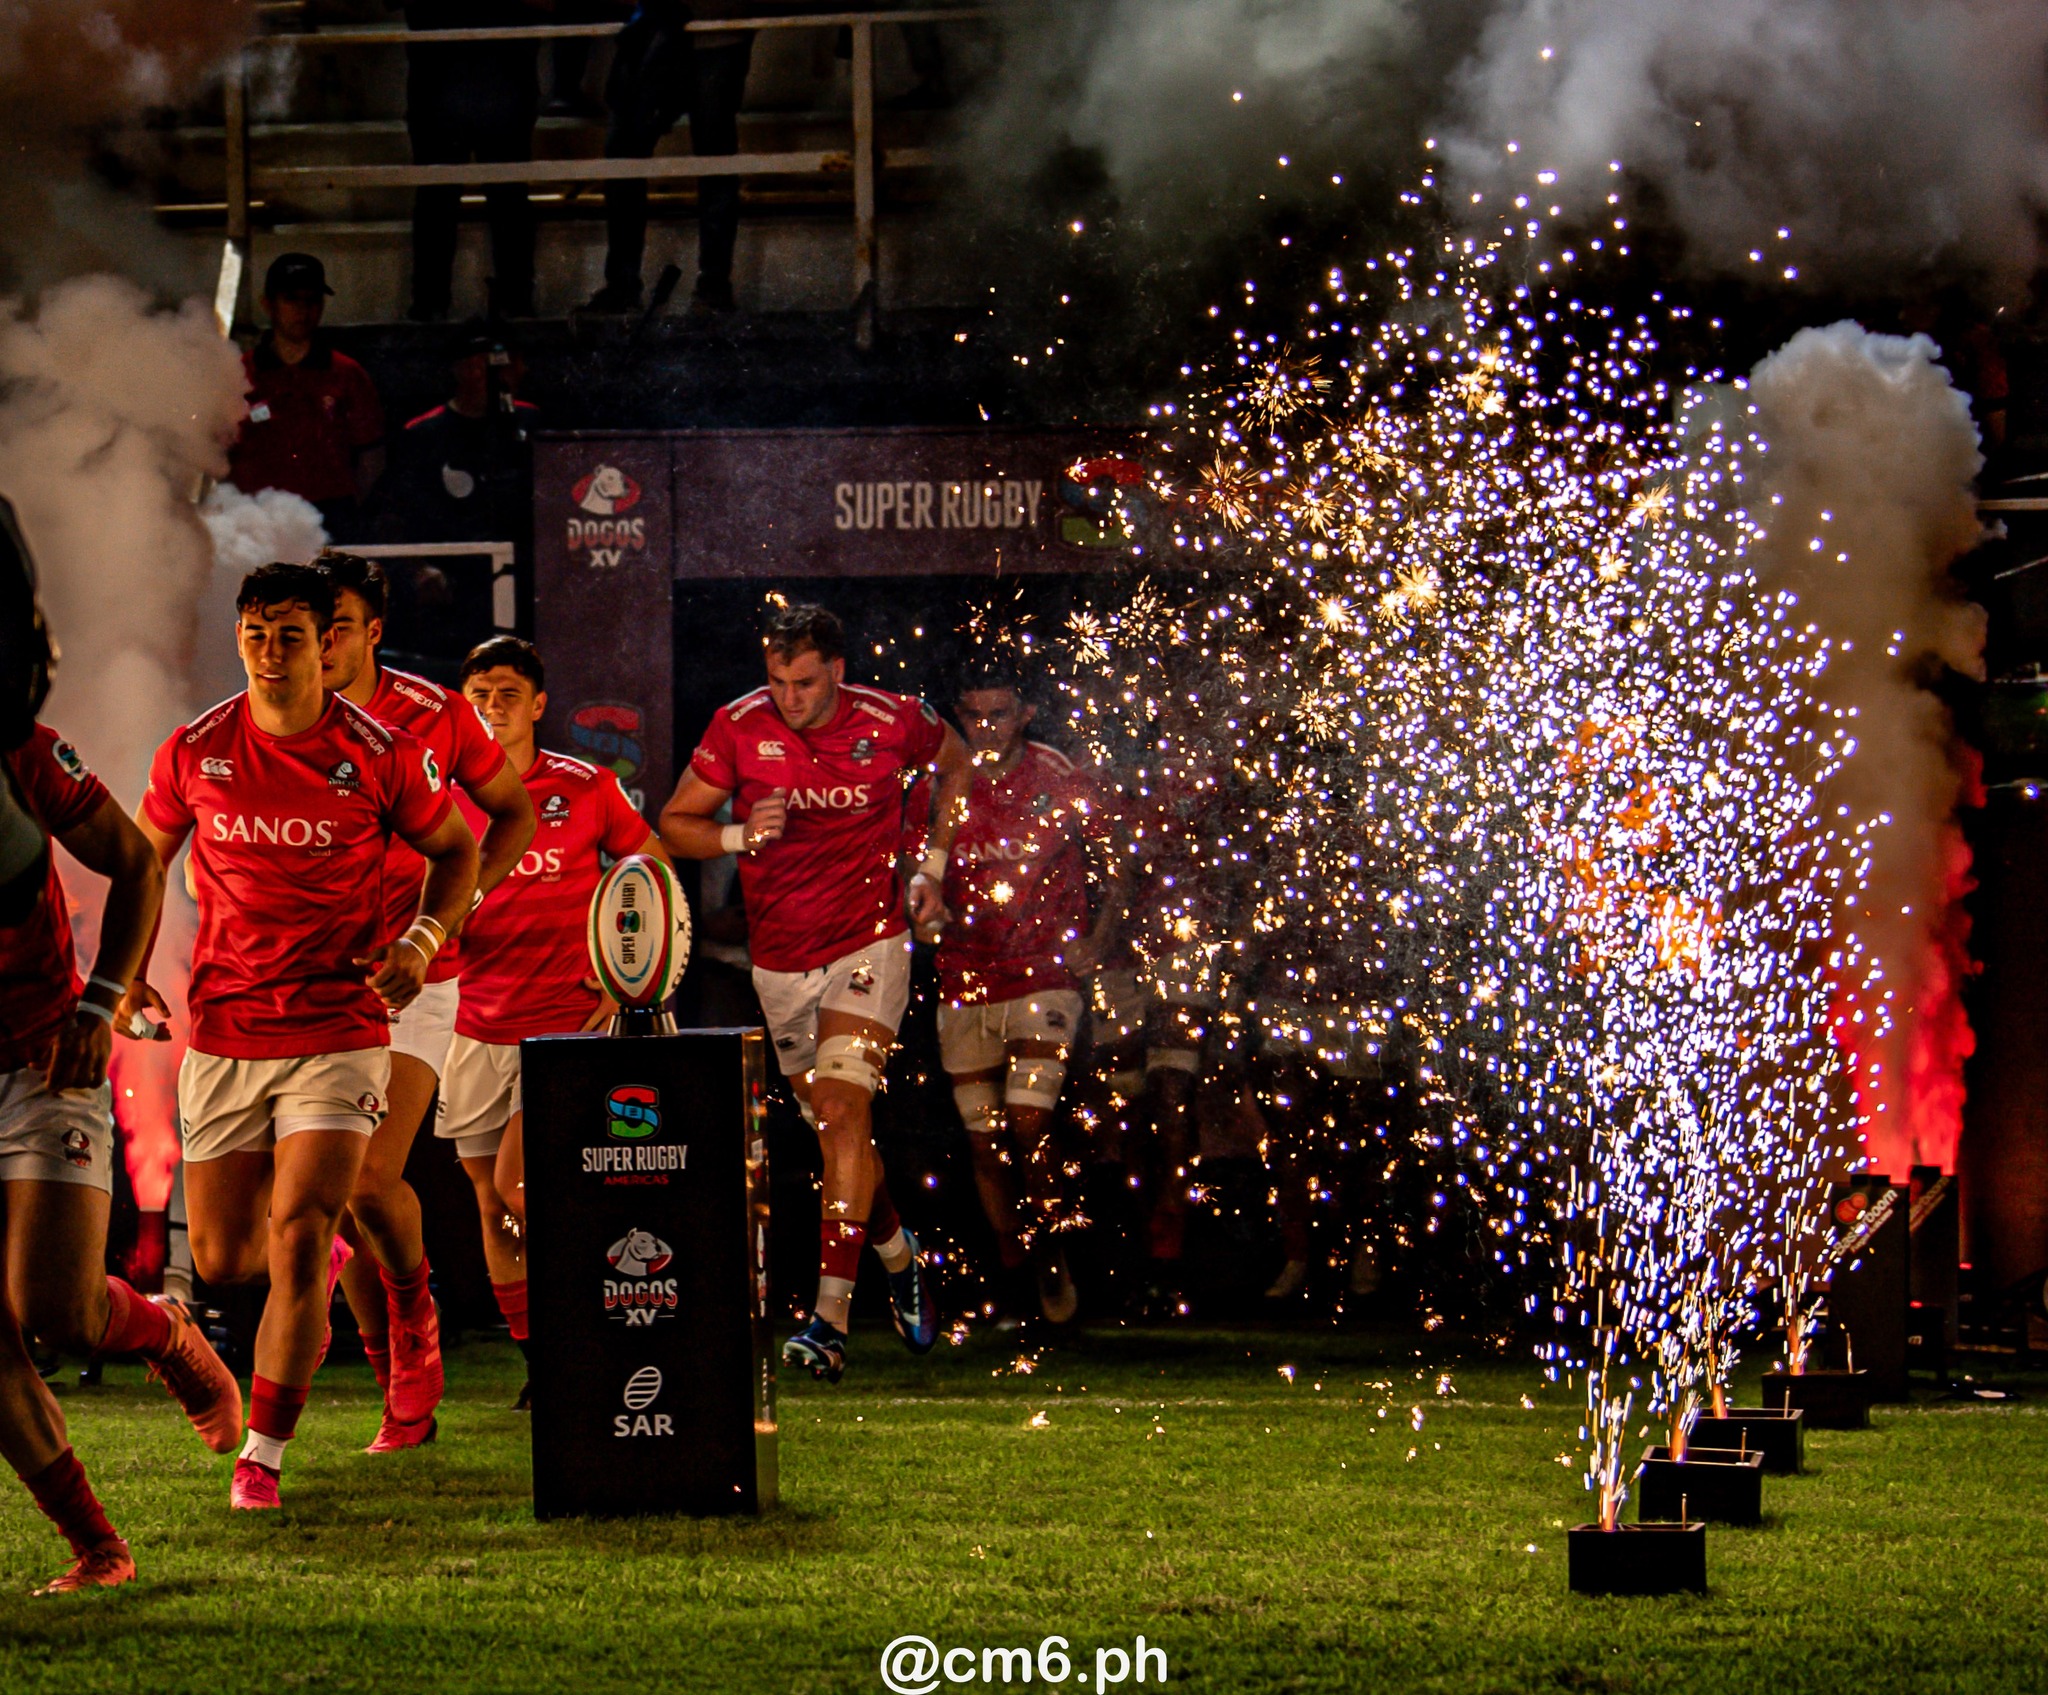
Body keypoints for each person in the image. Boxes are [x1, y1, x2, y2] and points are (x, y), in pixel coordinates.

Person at [128, 563, 479, 1511]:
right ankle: (236, 1325)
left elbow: (460, 848)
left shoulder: (379, 749)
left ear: (328, 641)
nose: (269, 653)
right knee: (227, 1258)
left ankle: (264, 1455)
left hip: (340, 1026)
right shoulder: (195, 749)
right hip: (228, 1030)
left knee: (305, 1230)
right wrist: (117, 979)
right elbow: (139, 865)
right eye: (254, 634)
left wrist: (422, 937)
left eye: (289, 635)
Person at [659, 602, 972, 1381]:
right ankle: (898, 1253)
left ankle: (828, 1319)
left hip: (867, 943)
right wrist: (738, 834)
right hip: (779, 960)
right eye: (776, 682)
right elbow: (673, 823)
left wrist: (931, 867)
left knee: (840, 1107)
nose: (788, 700)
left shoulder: (895, 718)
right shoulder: (737, 725)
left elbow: (958, 766)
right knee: (836, 1128)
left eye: (803, 683)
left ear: (836, 670)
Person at [0, 720, 242, 1594]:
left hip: (43, 1056)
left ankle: (167, 1329)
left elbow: (138, 862)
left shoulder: (21, 746)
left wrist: (101, 1004)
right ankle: (99, 1546)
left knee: (55, 1310)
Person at [319, 554, 535, 1452]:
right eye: (303, 627)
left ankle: (416, 1323)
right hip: (314, 981)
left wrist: (452, 912)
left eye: (334, 626)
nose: (317, 644)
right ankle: (393, 1373)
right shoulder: (276, 713)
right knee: (335, 1200)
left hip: (417, 982)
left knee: (372, 1177)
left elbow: (512, 814)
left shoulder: (436, 712)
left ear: (373, 630)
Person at [441, 637, 665, 1402]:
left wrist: (624, 978)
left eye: (508, 693)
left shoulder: (587, 784)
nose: (493, 706)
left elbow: (653, 874)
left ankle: (602, 1323)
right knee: (488, 1199)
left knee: (521, 1187)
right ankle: (545, 1363)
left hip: (566, 1028)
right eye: (479, 692)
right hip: (472, 1023)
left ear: (538, 704)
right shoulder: (438, 793)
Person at [934, 662, 1125, 1327]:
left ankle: (1051, 1252)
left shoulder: (1057, 774)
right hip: (964, 976)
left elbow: (1115, 856)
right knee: (985, 1139)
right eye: (974, 714)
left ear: (1025, 714)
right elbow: (914, 866)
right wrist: (923, 909)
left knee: (1028, 1121)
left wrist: (1099, 935)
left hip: (1043, 972)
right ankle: (1016, 1271)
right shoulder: (943, 779)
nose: (986, 727)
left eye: (999, 713)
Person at [583, 0, 759, 316]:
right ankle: (709, 287)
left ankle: (634, 287)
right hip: (691, 31)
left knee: (705, 159)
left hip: (684, 30)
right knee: (708, 159)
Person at [224, 254, 385, 540]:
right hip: (257, 520)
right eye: (291, 299)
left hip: (331, 520)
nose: (303, 310)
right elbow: (217, 450)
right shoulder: (239, 375)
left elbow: (371, 452)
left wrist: (347, 503)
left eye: (312, 300)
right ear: (267, 305)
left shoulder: (347, 374)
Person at [404, 3, 544, 321]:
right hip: (462, 76)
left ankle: (435, 303)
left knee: (454, 199)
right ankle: (437, 302)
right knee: (448, 199)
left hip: (470, 75)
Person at [391, 326, 540, 549]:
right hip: (456, 564)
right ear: (471, 370)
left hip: (521, 559)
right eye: (508, 366)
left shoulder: (530, 421)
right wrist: (420, 568)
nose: (521, 371)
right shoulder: (423, 434)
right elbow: (399, 513)